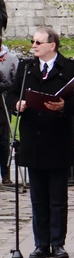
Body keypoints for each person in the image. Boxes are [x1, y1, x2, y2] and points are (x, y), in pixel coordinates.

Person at [7, 26, 74, 258]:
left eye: (37, 42)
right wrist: (17, 105)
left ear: (51, 45)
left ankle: (58, 243)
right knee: (38, 198)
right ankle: (41, 245)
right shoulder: (26, 67)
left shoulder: (71, 67)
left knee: (58, 197)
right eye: (32, 42)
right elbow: (12, 93)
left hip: (58, 138)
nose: (33, 46)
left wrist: (64, 106)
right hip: (33, 139)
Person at [0, 38, 18, 185]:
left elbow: (15, 82)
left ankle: (5, 175)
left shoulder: (11, 58)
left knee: (3, 141)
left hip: (3, 106)